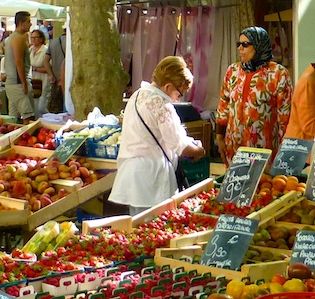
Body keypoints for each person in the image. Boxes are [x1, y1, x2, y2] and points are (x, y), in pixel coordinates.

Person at [109, 56, 205, 214]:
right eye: (179, 94)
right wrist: (198, 150)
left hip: (133, 174)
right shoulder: (161, 105)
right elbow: (180, 146)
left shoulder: (136, 96)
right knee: (155, 228)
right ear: (168, 87)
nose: (177, 99)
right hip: (153, 178)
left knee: (139, 227)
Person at [215, 26, 293, 162]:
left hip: (264, 150)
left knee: (263, 183)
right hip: (234, 148)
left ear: (259, 46)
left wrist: (284, 151)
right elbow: (223, 106)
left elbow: (285, 117)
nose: (240, 48)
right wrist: (219, 136)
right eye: (238, 44)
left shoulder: (278, 73)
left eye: (245, 44)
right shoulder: (232, 71)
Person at [3, 11, 35, 121]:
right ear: (21, 23)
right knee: (29, 117)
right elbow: (19, 61)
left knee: (13, 118)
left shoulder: (11, 38)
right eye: (28, 22)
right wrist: (24, 83)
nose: (30, 24)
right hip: (18, 83)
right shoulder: (19, 38)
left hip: (12, 83)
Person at [29, 27, 52, 117]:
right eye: (32, 37)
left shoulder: (45, 50)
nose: (33, 40)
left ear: (41, 38)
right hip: (33, 81)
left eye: (35, 37)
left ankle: (50, 119)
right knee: (34, 106)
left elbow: (49, 68)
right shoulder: (30, 50)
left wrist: (35, 69)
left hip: (44, 81)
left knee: (41, 107)